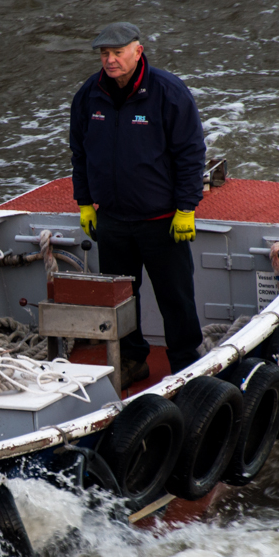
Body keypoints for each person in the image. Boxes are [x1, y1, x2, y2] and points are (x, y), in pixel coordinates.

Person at [69, 21, 206, 382]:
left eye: (117, 52)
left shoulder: (168, 92)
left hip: (162, 221)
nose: (110, 60)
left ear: (137, 51)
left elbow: (191, 154)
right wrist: (85, 202)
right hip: (113, 220)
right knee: (121, 300)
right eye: (104, 54)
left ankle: (186, 364)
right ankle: (132, 360)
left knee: (175, 298)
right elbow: (79, 153)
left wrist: (186, 209)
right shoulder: (89, 95)